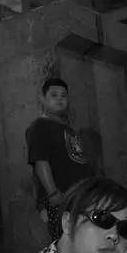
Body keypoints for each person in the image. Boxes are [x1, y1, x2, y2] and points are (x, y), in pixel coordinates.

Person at [26, 77, 95, 241]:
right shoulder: (39, 126)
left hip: (80, 197)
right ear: (43, 99)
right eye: (54, 95)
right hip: (61, 198)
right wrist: (53, 193)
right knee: (65, 243)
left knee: (82, 242)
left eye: (63, 96)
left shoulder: (68, 129)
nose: (59, 99)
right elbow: (40, 161)